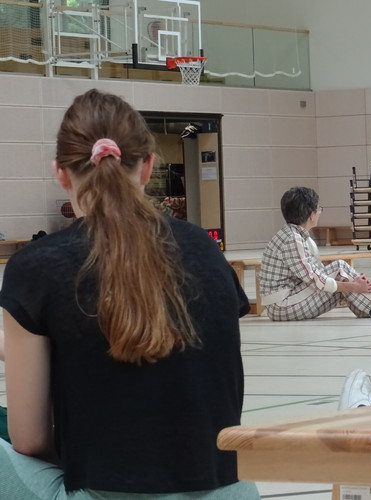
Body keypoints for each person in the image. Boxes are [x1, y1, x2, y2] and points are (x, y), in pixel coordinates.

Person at [0, 89, 260, 499]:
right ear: (147, 167)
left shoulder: (35, 269)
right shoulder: (206, 251)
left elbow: (30, 441)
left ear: (60, 174)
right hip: (232, 491)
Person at [259, 187, 371, 321]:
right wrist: (354, 286)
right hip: (282, 306)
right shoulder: (293, 239)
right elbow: (315, 280)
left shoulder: (291, 234)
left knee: (341, 276)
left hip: (286, 301)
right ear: (311, 215)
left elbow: (315, 273)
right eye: (319, 209)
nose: (319, 213)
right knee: (340, 268)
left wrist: (351, 282)